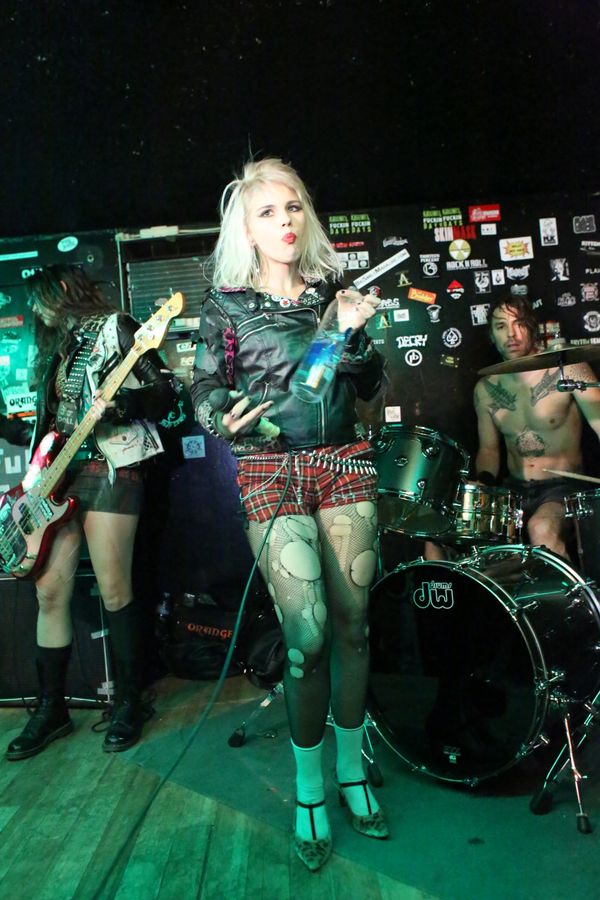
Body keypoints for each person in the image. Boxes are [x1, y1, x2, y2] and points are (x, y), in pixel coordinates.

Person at [190, 158, 388, 871]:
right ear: (246, 228)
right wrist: (221, 415)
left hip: (344, 466)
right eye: (268, 212)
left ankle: (352, 771)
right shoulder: (225, 306)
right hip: (271, 471)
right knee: (305, 638)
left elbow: (367, 383)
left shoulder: (335, 294)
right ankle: (308, 791)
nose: (285, 221)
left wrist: (353, 333)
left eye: (294, 207)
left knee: (354, 626)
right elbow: (204, 390)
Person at [5, 264, 176, 761]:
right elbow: (50, 424)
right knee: (49, 591)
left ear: (63, 288)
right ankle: (51, 708)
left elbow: (164, 394)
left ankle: (129, 703)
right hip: (57, 475)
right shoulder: (55, 352)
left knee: (114, 587)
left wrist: (118, 407)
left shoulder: (116, 327)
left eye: (39, 297)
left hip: (110, 463)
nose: (34, 308)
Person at [473, 293, 600, 558]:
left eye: (519, 323)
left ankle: (569, 588)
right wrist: (483, 483)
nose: (511, 334)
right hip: (513, 490)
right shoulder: (485, 388)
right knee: (447, 533)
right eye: (501, 326)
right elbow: (489, 450)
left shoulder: (567, 368)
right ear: (492, 335)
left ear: (533, 327)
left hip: (563, 487)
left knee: (541, 527)